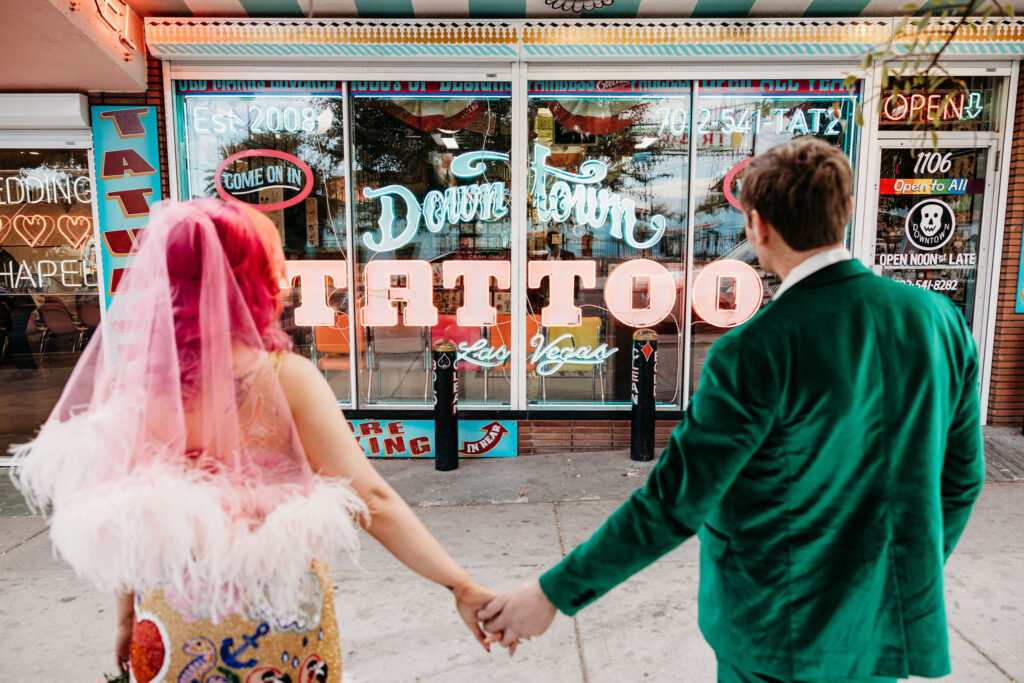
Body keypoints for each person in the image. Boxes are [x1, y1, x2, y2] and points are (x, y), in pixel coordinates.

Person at [478, 137, 985, 682]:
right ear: (842, 217)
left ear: (759, 226)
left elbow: (673, 502)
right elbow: (960, 482)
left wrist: (552, 592)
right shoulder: (939, 321)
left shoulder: (756, 349)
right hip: (886, 629)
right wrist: (896, 577)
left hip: (777, 635)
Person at [10, 199, 496, 681]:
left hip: (170, 620)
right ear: (254, 278)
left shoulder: (129, 384)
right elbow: (371, 498)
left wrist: (125, 618)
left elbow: (129, 521)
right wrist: (460, 585)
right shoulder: (288, 378)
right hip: (278, 621)